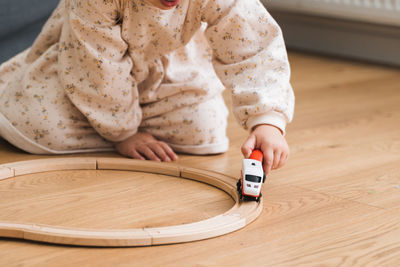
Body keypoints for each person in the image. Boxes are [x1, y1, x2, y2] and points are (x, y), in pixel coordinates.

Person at [0, 0, 294, 175]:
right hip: (85, 71)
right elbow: (96, 65)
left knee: (205, 132)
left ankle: (131, 120)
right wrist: (122, 133)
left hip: (168, 66)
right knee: (35, 126)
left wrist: (267, 119)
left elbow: (253, 46)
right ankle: (112, 126)